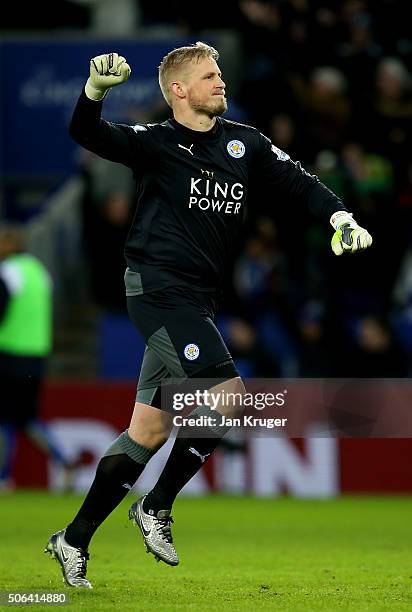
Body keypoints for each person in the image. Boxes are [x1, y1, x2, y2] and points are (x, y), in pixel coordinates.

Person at [45, 43, 372, 588]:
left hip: (197, 300)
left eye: (220, 73)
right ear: (178, 90)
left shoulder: (246, 144)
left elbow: (300, 184)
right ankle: (157, 507)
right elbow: (89, 134)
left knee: (145, 433)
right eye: (209, 75)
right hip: (156, 290)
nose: (221, 82)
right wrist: (95, 93)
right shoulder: (156, 143)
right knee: (228, 395)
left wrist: (340, 214)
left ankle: (72, 539)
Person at [0, 226, 76, 489]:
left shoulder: (7, 272)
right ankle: (64, 459)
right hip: (36, 356)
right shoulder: (39, 272)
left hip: (9, 353)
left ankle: (3, 478)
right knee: (26, 417)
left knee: (4, 417)